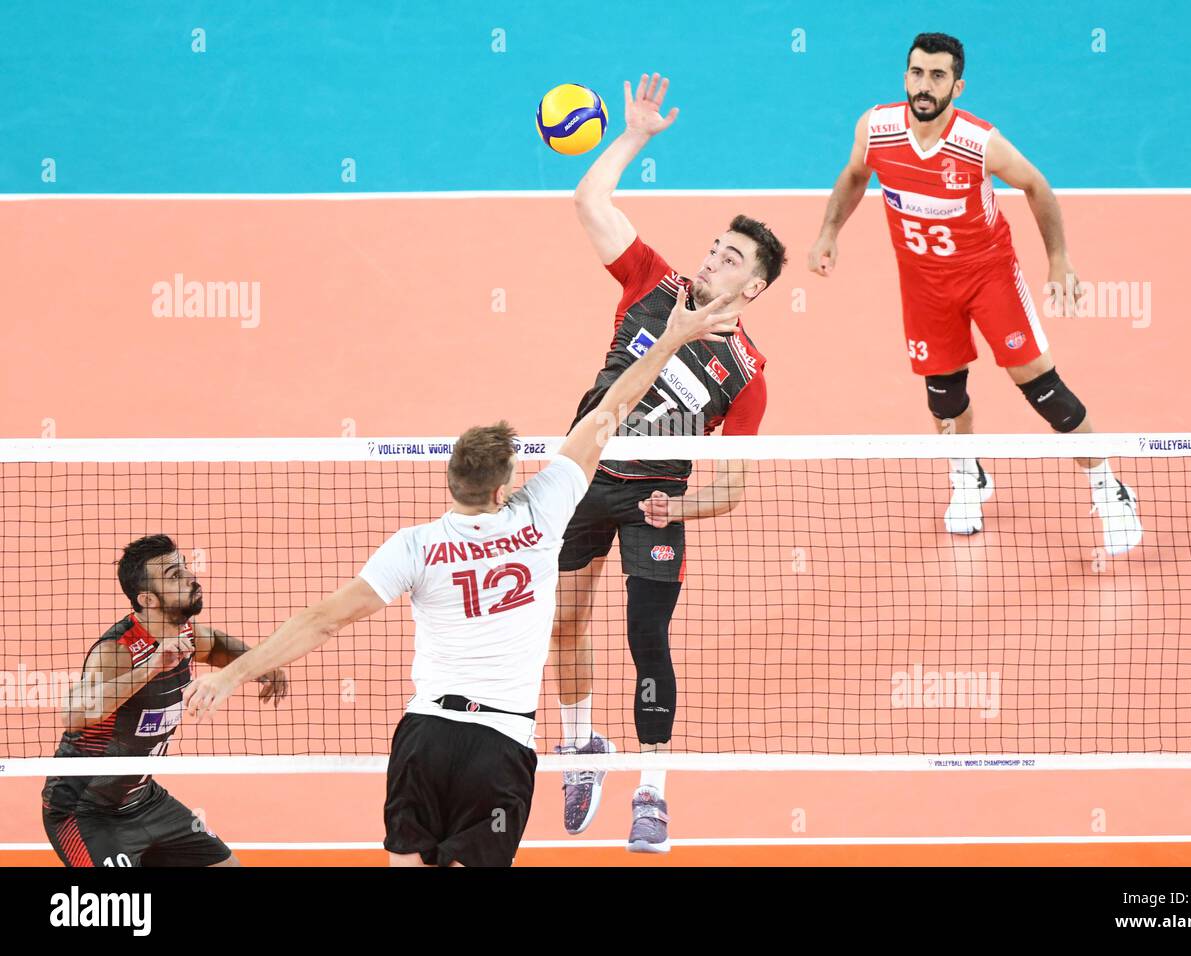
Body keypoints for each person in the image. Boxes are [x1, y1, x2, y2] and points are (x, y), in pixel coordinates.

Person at [183, 288, 739, 867]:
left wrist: (232, 677)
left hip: (424, 736)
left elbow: (321, 621)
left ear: (452, 482)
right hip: (497, 747)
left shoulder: (415, 547)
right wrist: (674, 337)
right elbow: (611, 411)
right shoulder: (544, 509)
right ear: (502, 489)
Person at [554, 72, 788, 853]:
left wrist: (676, 509)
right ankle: (582, 744)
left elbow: (732, 485)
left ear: (753, 285)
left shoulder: (747, 377)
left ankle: (652, 790)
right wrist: (633, 138)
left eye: (730, 258)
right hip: (580, 477)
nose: (713, 258)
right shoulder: (654, 281)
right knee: (565, 625)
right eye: (715, 246)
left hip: (653, 500)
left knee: (647, 641)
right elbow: (589, 204)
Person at [808, 33, 1142, 555]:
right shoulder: (876, 128)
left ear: (956, 86)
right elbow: (854, 176)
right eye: (917, 73)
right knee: (944, 396)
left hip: (989, 275)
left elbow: (1037, 186)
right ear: (905, 78)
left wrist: (1058, 259)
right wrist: (829, 232)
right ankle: (968, 476)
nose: (925, 85)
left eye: (938, 76)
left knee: (1043, 389)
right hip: (922, 283)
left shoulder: (978, 142)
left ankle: (1109, 489)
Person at [42, 534, 288, 867]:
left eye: (185, 566)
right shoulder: (117, 650)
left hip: (145, 800)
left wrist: (257, 665)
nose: (191, 576)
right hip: (85, 811)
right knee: (122, 912)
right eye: (175, 575)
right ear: (149, 599)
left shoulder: (185, 633)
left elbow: (214, 644)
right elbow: (74, 714)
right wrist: (151, 666)